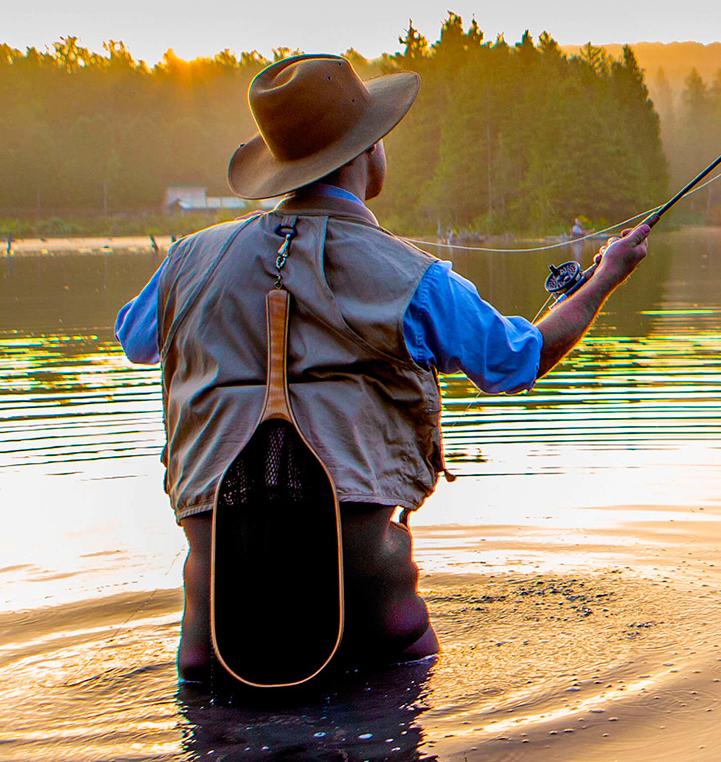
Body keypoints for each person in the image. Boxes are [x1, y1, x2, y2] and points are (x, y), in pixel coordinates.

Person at [113, 53, 651, 682]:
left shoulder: (187, 263)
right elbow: (516, 361)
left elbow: (136, 340)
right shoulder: (412, 277)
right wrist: (602, 280)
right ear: (366, 150)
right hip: (377, 635)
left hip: (212, 648)